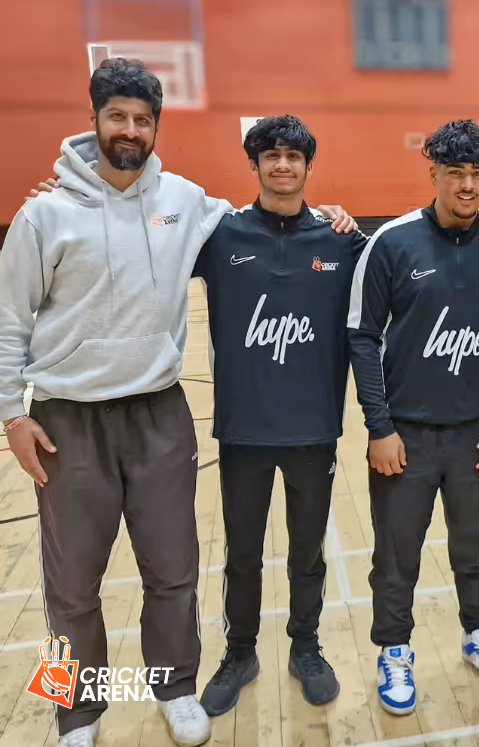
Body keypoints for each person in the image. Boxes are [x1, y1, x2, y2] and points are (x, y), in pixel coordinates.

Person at [1, 60, 355, 747]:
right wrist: (12, 413)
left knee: (174, 572)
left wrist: (335, 212)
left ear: (157, 127)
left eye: (142, 119)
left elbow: (273, 225)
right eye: (117, 116)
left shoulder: (188, 202)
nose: (130, 129)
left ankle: (176, 688)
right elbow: (8, 318)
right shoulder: (44, 212)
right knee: (68, 584)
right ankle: (75, 709)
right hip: (67, 418)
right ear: (95, 119)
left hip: (160, 412)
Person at [347, 119, 479, 716]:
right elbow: (363, 336)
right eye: (456, 173)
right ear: (434, 174)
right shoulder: (393, 243)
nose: (469, 185)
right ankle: (394, 650)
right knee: (396, 555)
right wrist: (379, 427)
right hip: (406, 437)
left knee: (477, 550)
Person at [189, 115, 361, 715]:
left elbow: (411, 262)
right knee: (241, 552)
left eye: (293, 156)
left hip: (314, 429)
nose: (282, 165)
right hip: (243, 431)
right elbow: (142, 243)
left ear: (309, 167)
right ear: (255, 164)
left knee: (307, 551)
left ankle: (305, 646)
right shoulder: (220, 236)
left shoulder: (344, 240)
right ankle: (240, 652)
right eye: (271, 155)